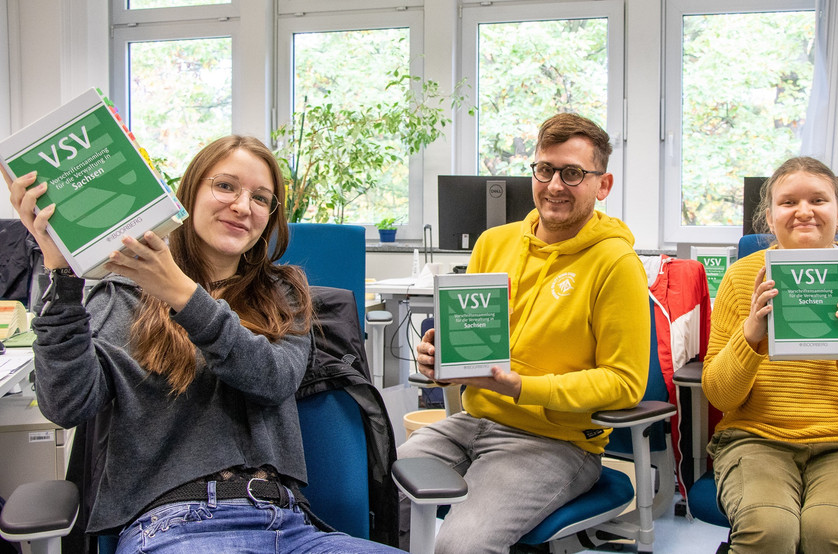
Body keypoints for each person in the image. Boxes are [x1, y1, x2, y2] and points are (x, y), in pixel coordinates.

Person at [7, 135, 400, 553]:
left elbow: (272, 380)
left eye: (261, 198)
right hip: (172, 525)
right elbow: (67, 405)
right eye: (226, 186)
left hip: (288, 525)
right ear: (189, 194)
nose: (243, 206)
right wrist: (62, 277)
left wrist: (184, 297)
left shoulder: (282, 293)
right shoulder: (124, 291)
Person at [401, 113, 651, 553]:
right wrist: (444, 361)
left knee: (460, 546)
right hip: (472, 421)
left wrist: (523, 387)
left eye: (572, 173)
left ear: (603, 184)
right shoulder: (493, 243)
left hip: (555, 444)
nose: (554, 185)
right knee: (364, 491)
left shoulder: (616, 264)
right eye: (545, 169)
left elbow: (624, 383)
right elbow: (474, 351)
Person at [702, 156, 838, 553]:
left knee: (830, 531)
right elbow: (721, 396)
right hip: (758, 439)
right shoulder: (741, 277)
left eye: (818, 200)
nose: (804, 212)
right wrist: (750, 336)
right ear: (769, 217)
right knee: (769, 530)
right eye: (788, 202)